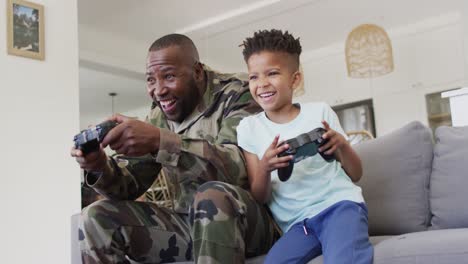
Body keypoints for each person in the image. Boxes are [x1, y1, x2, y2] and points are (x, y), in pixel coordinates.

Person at [71, 33, 277, 264]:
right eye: (151, 79)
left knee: (213, 195)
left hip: (246, 220)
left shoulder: (238, 94)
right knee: (95, 217)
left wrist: (161, 141)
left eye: (169, 76)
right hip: (188, 224)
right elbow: (129, 187)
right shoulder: (159, 114)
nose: (158, 90)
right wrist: (100, 167)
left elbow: (238, 172)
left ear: (197, 72)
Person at [236, 29, 373, 264]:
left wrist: (341, 145)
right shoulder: (248, 128)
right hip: (298, 225)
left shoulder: (319, 112)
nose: (262, 84)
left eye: (272, 73)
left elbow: (356, 173)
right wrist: (266, 168)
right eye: (253, 77)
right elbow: (259, 195)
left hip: (340, 206)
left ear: (295, 79)